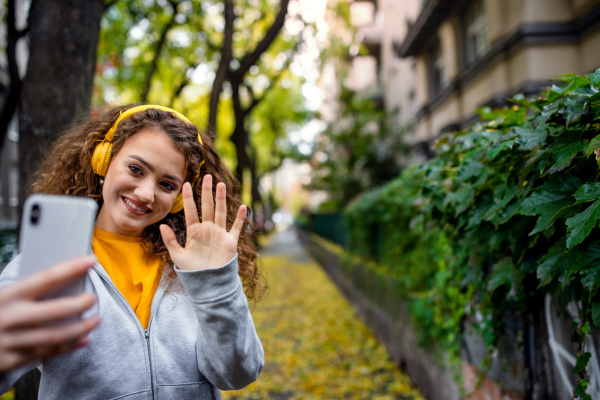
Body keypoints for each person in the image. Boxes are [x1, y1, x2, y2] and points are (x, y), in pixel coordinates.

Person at [0, 104, 266, 399]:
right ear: (102, 160)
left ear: (178, 199)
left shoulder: (193, 265)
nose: (145, 194)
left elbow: (238, 373)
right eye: (136, 169)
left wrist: (215, 281)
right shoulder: (53, 264)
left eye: (166, 184)